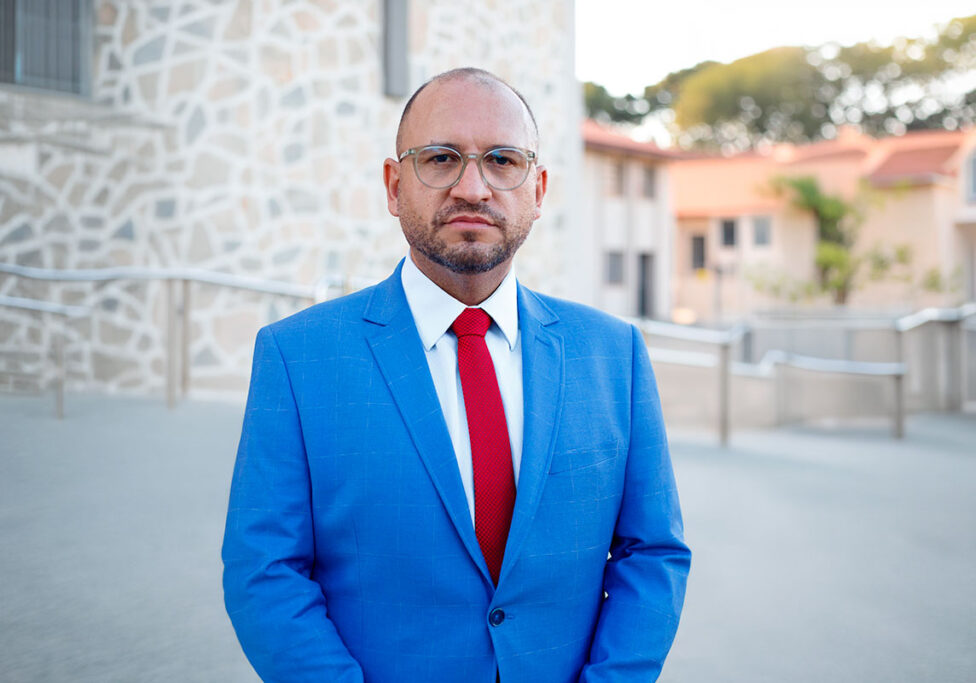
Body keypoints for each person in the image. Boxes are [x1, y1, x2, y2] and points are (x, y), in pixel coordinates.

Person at [222, 67, 690, 683]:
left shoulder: (613, 354)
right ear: (395, 186)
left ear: (538, 190)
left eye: (502, 160)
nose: (473, 188)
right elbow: (265, 570)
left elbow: (652, 554)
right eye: (441, 158)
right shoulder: (297, 356)